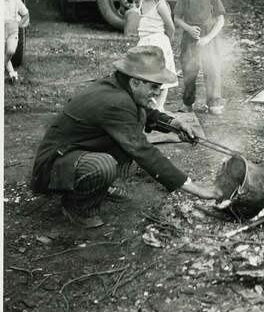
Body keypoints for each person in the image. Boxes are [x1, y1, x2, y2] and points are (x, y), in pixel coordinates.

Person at [31, 46, 221, 228]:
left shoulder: (120, 87)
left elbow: (144, 113)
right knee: (104, 164)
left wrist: (175, 124)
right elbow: (143, 151)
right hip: (53, 165)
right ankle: (77, 207)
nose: (158, 92)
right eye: (154, 86)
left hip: (78, 150)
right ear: (136, 82)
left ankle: (103, 186)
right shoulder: (116, 102)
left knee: (127, 138)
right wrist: (194, 187)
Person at [174, 0, 225, 115]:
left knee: (213, 69)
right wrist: (188, 29)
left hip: (210, 39)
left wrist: (208, 38)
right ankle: (188, 102)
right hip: (190, 39)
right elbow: (177, 18)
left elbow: (221, 20)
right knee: (189, 69)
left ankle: (214, 102)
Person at [132, 0, 178, 110]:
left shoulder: (160, 3)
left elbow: (170, 27)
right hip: (144, 43)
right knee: (145, 76)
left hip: (158, 43)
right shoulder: (141, 2)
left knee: (161, 76)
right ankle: (149, 105)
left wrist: (165, 44)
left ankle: (160, 107)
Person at [4, 0, 29, 83]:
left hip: (12, 30)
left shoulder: (16, 0)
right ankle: (11, 73)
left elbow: (26, 14)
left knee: (10, 51)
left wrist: (20, 24)